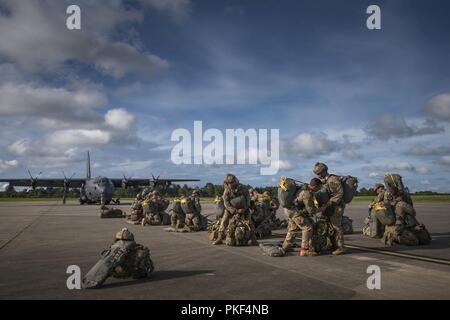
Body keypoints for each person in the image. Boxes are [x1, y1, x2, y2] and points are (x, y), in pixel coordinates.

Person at [82, 228, 154, 288]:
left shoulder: (115, 248)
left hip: (122, 272)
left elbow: (105, 262)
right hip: (136, 272)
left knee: (109, 262)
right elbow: (149, 268)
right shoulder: (138, 248)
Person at [282, 178, 324, 256]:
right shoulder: (306, 193)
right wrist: (322, 208)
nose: (319, 189)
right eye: (319, 187)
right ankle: (305, 250)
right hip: (293, 211)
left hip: (288, 209)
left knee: (293, 228)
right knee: (307, 227)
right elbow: (311, 210)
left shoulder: (302, 188)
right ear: (314, 186)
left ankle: (286, 246)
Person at [213, 174, 258, 245]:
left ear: (235, 181)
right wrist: (234, 210)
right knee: (224, 221)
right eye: (229, 183)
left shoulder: (243, 188)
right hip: (231, 209)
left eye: (233, 182)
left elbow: (248, 198)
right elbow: (226, 202)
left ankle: (253, 239)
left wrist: (245, 208)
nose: (231, 184)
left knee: (250, 222)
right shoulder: (227, 190)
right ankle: (219, 238)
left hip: (244, 209)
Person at [313, 162, 346, 255]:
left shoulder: (333, 179)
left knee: (336, 226)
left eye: (319, 173)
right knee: (328, 226)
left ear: (324, 171)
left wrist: (328, 204)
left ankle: (340, 247)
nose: (318, 176)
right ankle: (332, 245)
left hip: (336, 206)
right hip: (328, 206)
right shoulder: (324, 181)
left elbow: (339, 193)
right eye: (317, 174)